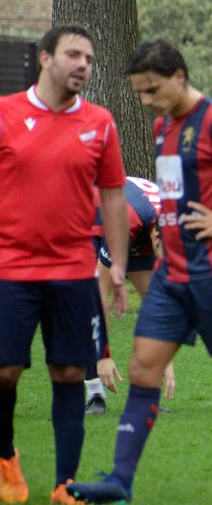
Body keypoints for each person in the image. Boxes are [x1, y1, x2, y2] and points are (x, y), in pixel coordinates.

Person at [69, 39, 212, 503]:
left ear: (180, 77)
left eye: (152, 90)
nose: (147, 100)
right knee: (143, 368)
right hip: (172, 276)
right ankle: (119, 483)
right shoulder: (164, 127)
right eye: (140, 93)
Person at [0, 25, 129, 505]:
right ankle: (5, 458)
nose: (83, 66)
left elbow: (113, 196)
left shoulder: (100, 122)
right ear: (45, 58)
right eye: (74, 55)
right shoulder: (6, 114)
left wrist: (117, 265)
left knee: (71, 373)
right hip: (10, 268)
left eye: (89, 59)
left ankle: (65, 485)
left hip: (74, 270)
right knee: (5, 372)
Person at [84, 177, 176, 415]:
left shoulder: (173, 219)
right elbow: (100, 293)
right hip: (92, 218)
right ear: (156, 238)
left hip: (138, 219)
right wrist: (104, 353)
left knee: (153, 299)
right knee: (88, 303)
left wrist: (166, 358)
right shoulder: (128, 223)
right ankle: (94, 392)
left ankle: (147, 395)